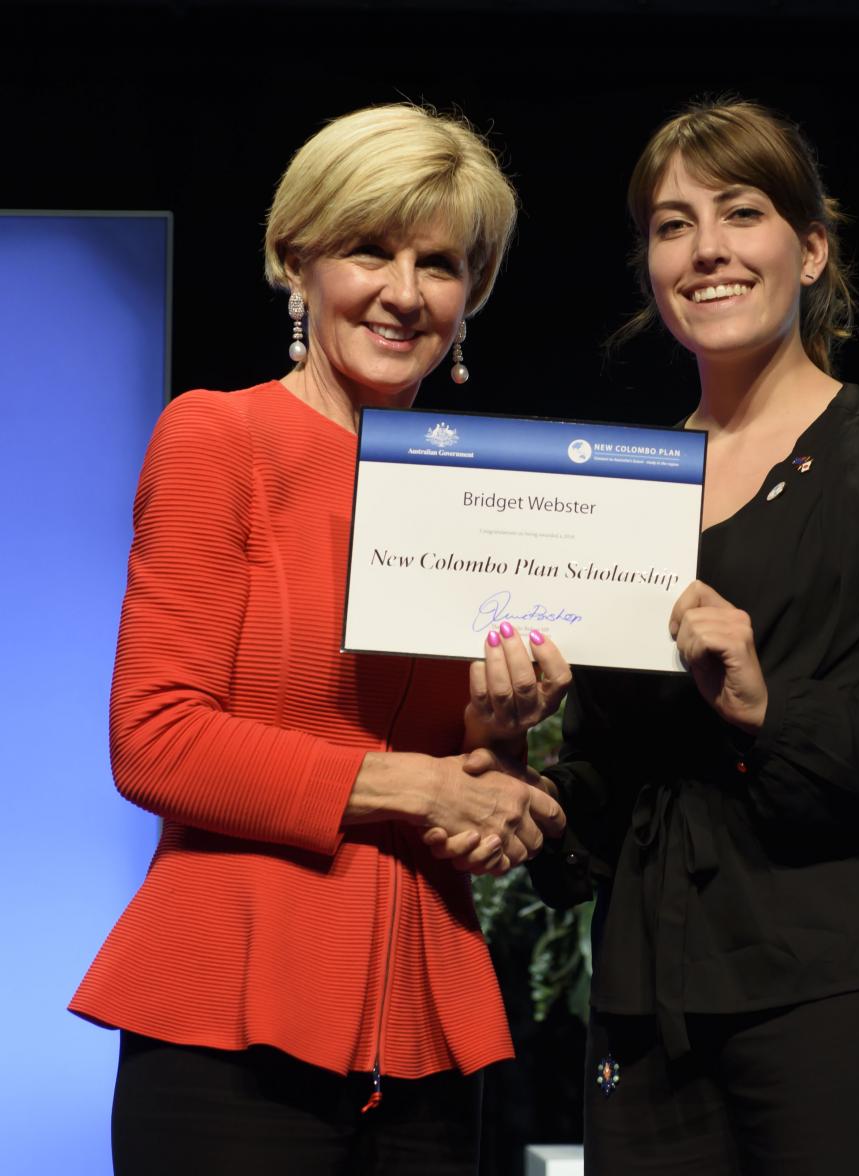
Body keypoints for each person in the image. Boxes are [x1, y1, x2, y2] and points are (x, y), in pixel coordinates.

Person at [70, 103, 569, 1176]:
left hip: (427, 1033)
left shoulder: (481, 496)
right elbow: (155, 738)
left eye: (439, 263)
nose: (403, 290)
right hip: (226, 1025)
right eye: (367, 250)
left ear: (471, 296)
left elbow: (465, 789)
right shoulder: (221, 436)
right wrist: (422, 788)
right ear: (296, 261)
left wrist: (497, 746)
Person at [529, 99, 859, 1175]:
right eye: (671, 224)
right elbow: (613, 775)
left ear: (810, 250)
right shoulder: (620, 491)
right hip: (648, 1009)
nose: (706, 249)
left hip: (844, 991)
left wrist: (769, 704)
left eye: (740, 213)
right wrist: (530, 796)